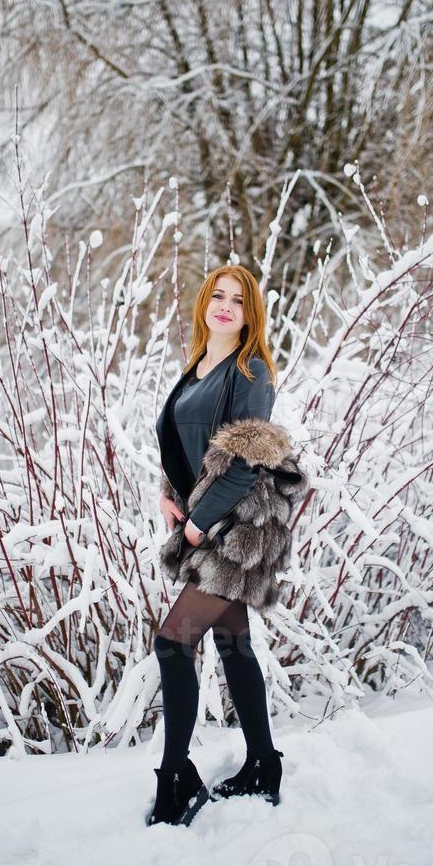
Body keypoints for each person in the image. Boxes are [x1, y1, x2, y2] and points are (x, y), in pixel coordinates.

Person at [146, 265, 287, 827]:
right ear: (205, 303)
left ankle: (175, 778)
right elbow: (189, 446)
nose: (226, 306)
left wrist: (197, 525)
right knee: (233, 644)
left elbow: (246, 462)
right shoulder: (197, 368)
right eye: (218, 297)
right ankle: (262, 764)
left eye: (239, 300)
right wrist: (168, 494)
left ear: (251, 313)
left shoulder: (250, 371)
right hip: (207, 520)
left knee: (172, 642)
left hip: (238, 526)